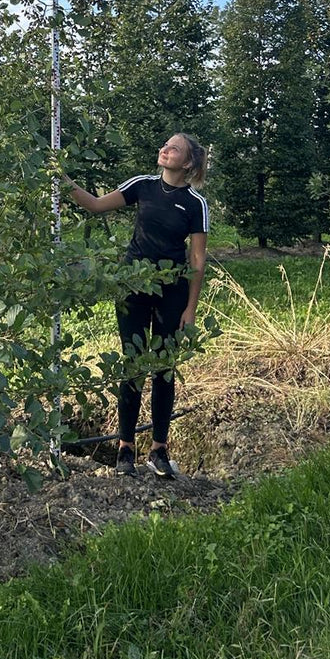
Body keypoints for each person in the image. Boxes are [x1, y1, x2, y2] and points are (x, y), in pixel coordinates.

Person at [65, 133, 209, 478]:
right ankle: (125, 448)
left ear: (187, 163)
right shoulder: (142, 186)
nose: (165, 149)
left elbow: (198, 259)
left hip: (171, 293)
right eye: (165, 144)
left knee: (163, 369)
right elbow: (96, 204)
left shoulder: (195, 203)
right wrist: (62, 182)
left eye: (174, 148)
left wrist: (190, 309)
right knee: (132, 366)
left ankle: (159, 449)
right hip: (132, 287)